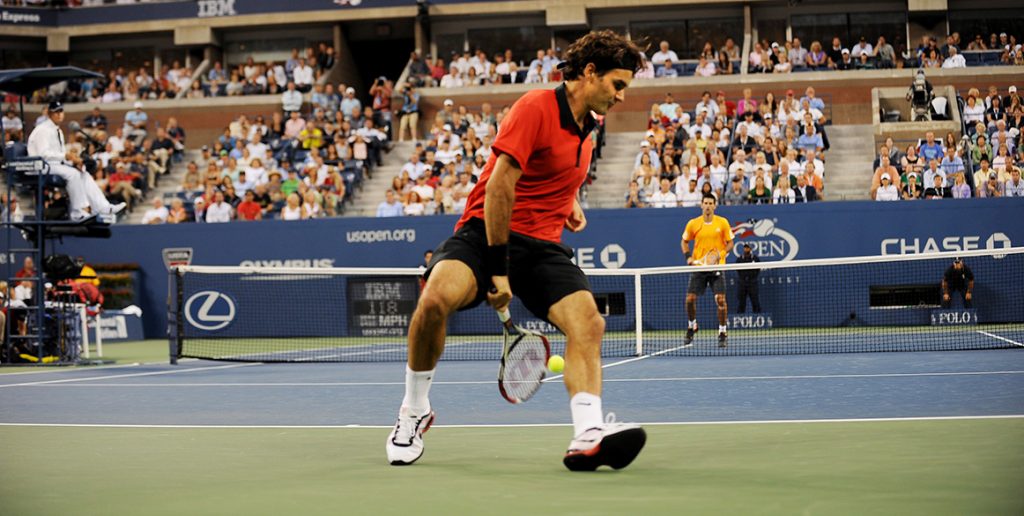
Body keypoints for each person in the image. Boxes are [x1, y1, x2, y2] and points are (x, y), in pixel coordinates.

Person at [385, 31, 647, 472]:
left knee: (588, 322)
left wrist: (569, 202)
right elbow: (500, 186)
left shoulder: (591, 127)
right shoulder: (535, 108)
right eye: (617, 85)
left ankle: (588, 434)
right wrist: (497, 268)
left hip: (543, 247)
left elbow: (551, 170)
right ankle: (414, 411)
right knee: (433, 301)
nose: (621, 96)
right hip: (484, 233)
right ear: (589, 74)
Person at [27, 101, 125, 220]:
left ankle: (104, 208)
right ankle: (77, 213)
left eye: (61, 111)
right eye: (55, 112)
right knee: (72, 174)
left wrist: (73, 161)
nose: (59, 115)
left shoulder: (58, 131)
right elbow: (44, 154)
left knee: (83, 172)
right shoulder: (43, 130)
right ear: (49, 113)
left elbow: (60, 156)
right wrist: (66, 156)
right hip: (39, 166)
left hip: (53, 165)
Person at [680, 194, 734, 347]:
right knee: (690, 299)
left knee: (721, 300)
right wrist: (688, 257)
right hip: (699, 268)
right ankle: (692, 326)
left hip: (717, 267)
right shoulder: (693, 224)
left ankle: (722, 332)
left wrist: (719, 255)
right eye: (706, 203)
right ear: (701, 205)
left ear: (715, 206)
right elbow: (684, 242)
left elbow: (730, 243)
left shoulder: (722, 222)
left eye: (711, 203)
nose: (708, 206)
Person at [735, 243, 761, 313]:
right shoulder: (739, 259)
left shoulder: (755, 259)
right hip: (742, 284)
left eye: (748, 248)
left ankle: (757, 315)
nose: (746, 249)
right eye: (745, 248)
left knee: (755, 301)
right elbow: (738, 270)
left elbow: (758, 269)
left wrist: (752, 277)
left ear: (750, 249)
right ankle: (740, 317)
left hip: (752, 283)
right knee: (741, 302)